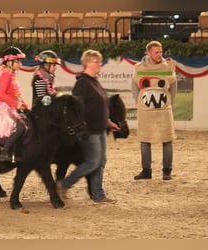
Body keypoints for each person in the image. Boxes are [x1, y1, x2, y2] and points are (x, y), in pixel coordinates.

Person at [56, 49, 120, 204]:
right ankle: (63, 184)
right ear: (87, 63)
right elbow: (77, 107)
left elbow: (99, 106)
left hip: (100, 129)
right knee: (93, 162)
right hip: (89, 130)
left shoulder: (94, 81)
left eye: (100, 61)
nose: (100, 64)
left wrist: (108, 122)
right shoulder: (83, 83)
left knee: (100, 161)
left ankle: (98, 194)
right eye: (97, 61)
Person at [132, 40, 177, 181]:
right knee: (144, 139)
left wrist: (169, 103)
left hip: (164, 110)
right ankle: (146, 171)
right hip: (145, 110)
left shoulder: (168, 66)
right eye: (156, 52)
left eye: (161, 52)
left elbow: (174, 88)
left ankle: (167, 171)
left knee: (167, 138)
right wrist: (140, 103)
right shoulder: (139, 68)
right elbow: (135, 87)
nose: (159, 54)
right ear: (148, 53)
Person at [0, 46, 29, 162]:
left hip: (11, 105)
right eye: (17, 61)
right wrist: (16, 105)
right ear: (9, 62)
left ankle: (17, 151)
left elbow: (16, 95)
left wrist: (25, 105)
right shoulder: (6, 75)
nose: (20, 63)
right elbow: (1, 94)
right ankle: (5, 151)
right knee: (20, 126)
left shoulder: (12, 75)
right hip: (4, 107)